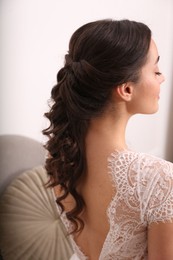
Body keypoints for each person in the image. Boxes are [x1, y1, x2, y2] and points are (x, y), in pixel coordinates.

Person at [43, 19, 173, 259]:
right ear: (126, 90)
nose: (162, 77)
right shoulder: (160, 179)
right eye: (155, 70)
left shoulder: (60, 158)